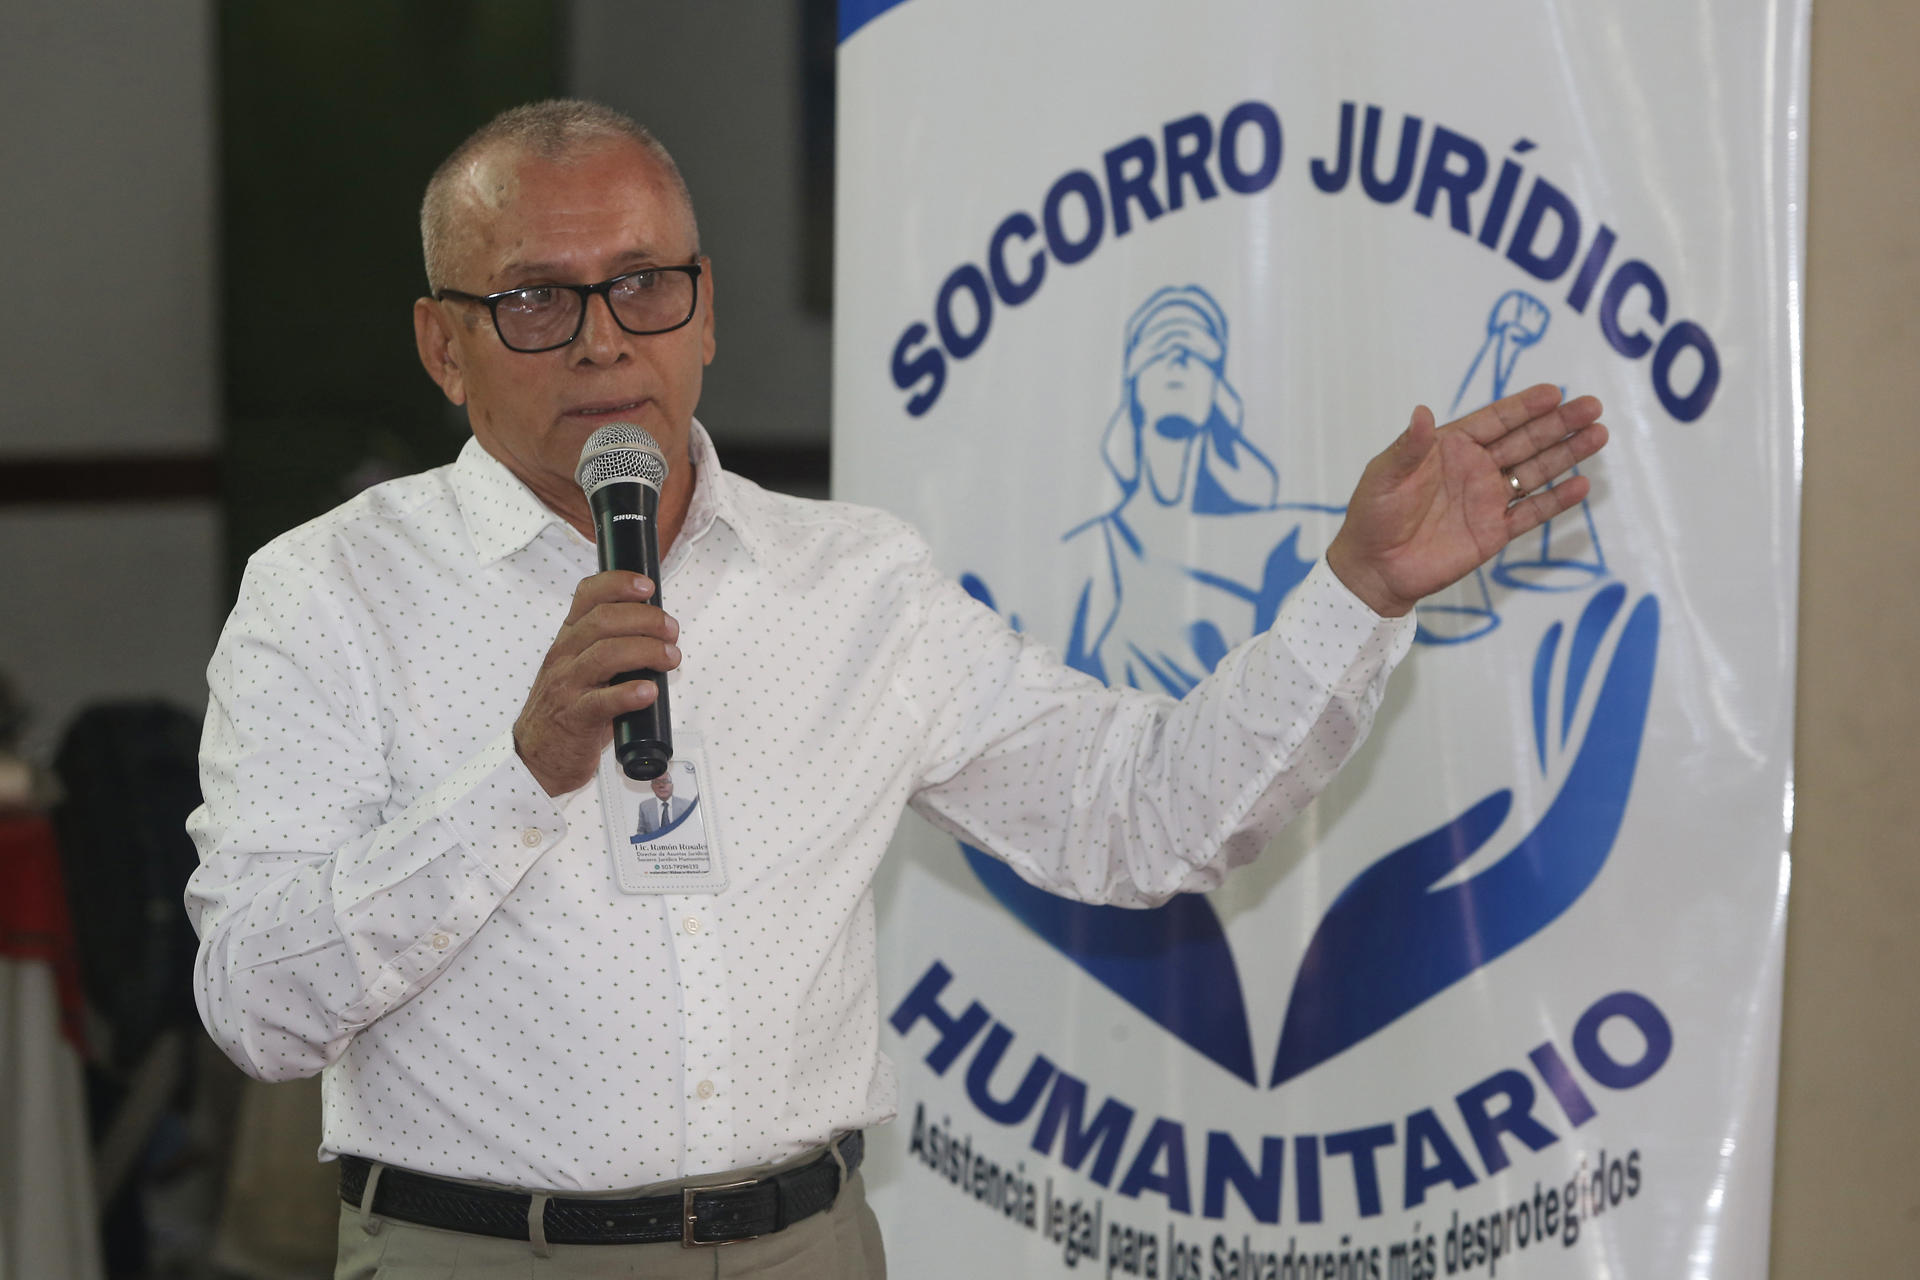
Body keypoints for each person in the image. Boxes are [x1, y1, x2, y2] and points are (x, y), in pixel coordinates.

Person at [184, 100, 1608, 1279]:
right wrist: (525, 774)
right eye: (539, 301)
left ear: (705, 315)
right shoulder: (329, 595)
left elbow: (1140, 820)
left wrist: (1354, 593)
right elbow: (255, 1004)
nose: (606, 339)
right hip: (484, 1251)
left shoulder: (857, 582)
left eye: (644, 284)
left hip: (810, 1244)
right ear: (446, 345)